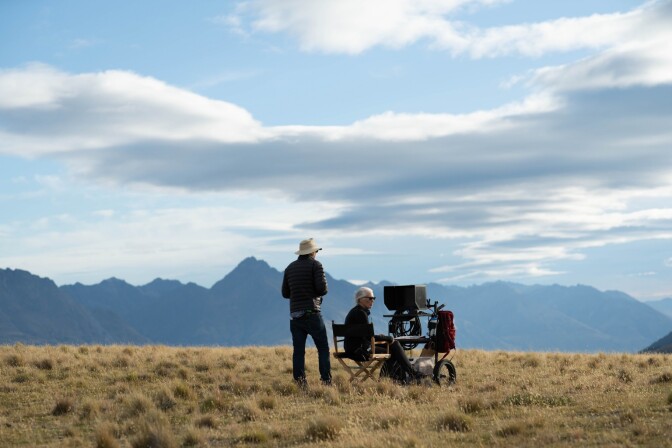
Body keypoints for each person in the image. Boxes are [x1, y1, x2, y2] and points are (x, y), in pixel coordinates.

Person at [344, 286, 424, 383]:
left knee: (394, 345)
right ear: (360, 299)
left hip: (354, 347)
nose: (372, 301)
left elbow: (366, 336)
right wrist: (388, 338)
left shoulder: (355, 311)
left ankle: (393, 377)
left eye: (373, 298)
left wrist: (386, 339)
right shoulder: (360, 313)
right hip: (359, 350)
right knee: (393, 347)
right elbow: (369, 337)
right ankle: (406, 375)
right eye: (370, 298)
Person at [281, 238, 331, 386]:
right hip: (312, 313)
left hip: (295, 315)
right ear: (312, 252)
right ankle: (326, 381)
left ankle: (300, 383)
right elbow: (322, 289)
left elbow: (285, 293)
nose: (316, 253)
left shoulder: (289, 268)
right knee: (323, 348)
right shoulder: (316, 265)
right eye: (316, 251)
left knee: (298, 351)